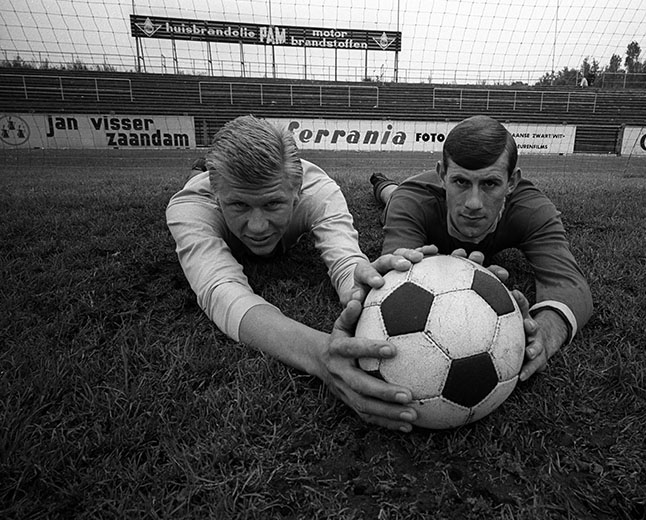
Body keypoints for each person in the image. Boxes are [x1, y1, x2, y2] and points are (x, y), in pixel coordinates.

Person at [166, 115, 431, 433]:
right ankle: (198, 171)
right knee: (195, 178)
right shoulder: (191, 205)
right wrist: (320, 354)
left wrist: (366, 290)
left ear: (297, 191)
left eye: (273, 203)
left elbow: (347, 262)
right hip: (201, 185)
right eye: (237, 205)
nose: (258, 226)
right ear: (216, 194)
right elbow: (221, 291)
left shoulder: (319, 191)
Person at [369, 115, 593, 382]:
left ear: (511, 182)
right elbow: (394, 274)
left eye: (489, 184)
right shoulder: (413, 202)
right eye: (461, 182)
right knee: (390, 195)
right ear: (442, 175)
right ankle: (381, 183)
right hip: (404, 195)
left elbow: (568, 283)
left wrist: (544, 332)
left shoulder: (532, 209)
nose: (474, 203)